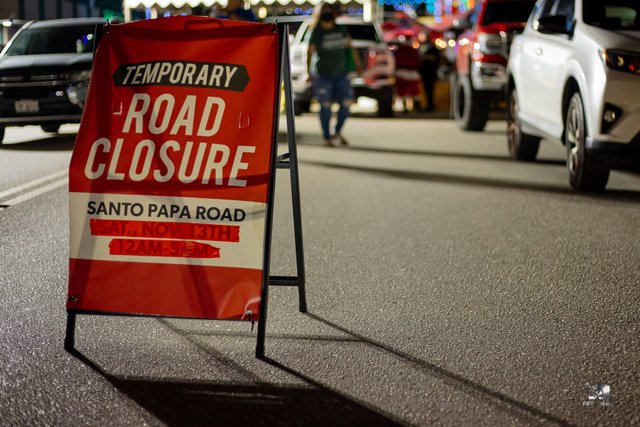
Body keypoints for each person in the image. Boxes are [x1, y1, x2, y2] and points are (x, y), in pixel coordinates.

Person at [306, 2, 361, 147]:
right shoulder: (316, 32)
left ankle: (337, 131)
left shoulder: (341, 29)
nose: (328, 13)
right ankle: (326, 137)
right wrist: (308, 72)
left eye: (330, 10)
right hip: (323, 75)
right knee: (325, 106)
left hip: (342, 74)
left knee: (346, 105)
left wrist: (358, 65)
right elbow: (309, 52)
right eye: (325, 10)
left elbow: (351, 47)